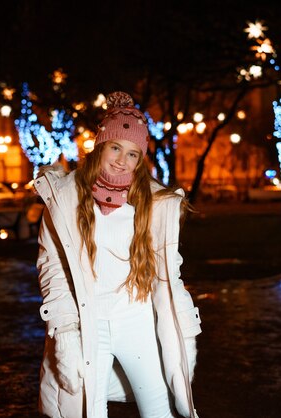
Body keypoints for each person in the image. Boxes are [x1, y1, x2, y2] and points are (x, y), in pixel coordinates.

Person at [34, 92, 201, 418]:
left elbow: (170, 275)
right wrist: (65, 331)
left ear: (140, 160)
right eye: (115, 147)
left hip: (136, 319)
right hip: (88, 321)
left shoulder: (153, 204)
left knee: (159, 410)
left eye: (133, 153)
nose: (122, 160)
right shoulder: (64, 198)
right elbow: (51, 266)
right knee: (87, 410)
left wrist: (186, 330)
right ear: (100, 144)